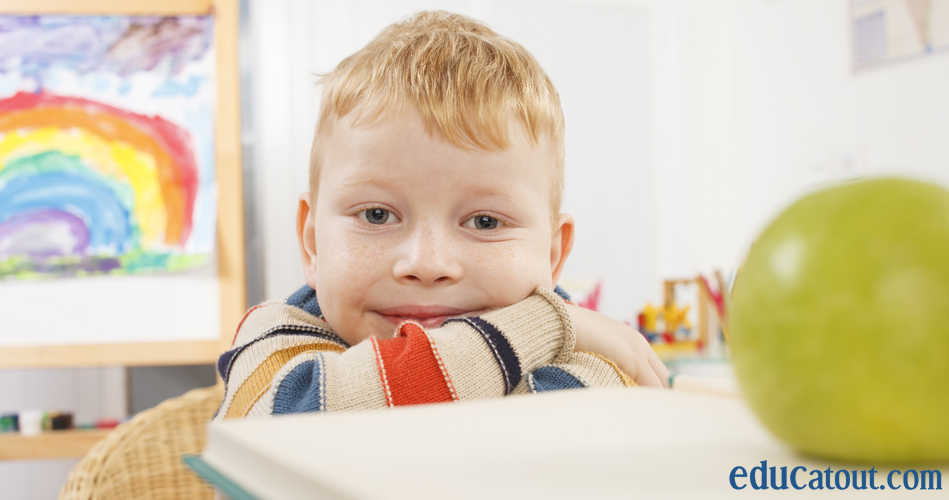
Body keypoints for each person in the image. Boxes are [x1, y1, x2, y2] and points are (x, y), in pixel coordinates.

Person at [213, 11, 667, 421]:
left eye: (485, 222)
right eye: (376, 214)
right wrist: (541, 323)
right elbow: (285, 424)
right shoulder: (270, 339)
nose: (427, 264)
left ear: (552, 254)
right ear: (312, 242)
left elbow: (523, 453)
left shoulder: (598, 356)